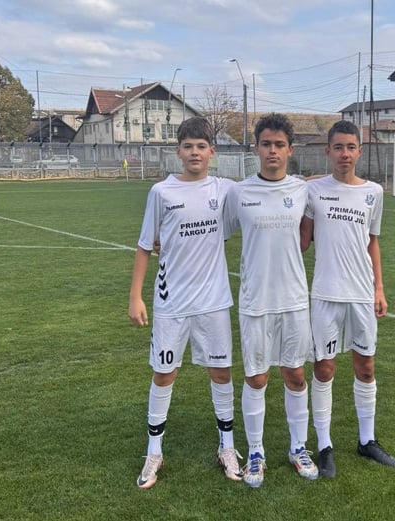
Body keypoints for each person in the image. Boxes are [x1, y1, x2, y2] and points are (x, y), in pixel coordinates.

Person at [128, 117, 242, 489]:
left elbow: (267, 188)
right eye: (188, 146)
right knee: (164, 374)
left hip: (213, 301)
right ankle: (154, 452)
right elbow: (145, 245)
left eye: (201, 146)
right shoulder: (161, 192)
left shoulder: (225, 189)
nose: (195, 152)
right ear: (178, 151)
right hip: (171, 303)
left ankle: (227, 447)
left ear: (212, 152)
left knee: (221, 373)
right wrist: (135, 297)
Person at [223, 113, 318, 488]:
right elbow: (215, 233)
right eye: (266, 144)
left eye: (279, 144)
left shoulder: (303, 191)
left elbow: (308, 236)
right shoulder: (239, 193)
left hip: (294, 299)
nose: (272, 151)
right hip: (255, 301)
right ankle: (256, 452)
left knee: (295, 374)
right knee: (257, 377)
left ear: (290, 149)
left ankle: (298, 448)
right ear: (256, 148)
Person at [300, 119, 395, 479]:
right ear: (328, 151)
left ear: (360, 151)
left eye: (351, 147)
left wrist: (379, 288)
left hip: (361, 294)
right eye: (338, 147)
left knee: (366, 367)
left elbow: (373, 242)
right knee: (324, 368)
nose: (345, 153)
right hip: (326, 294)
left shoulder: (374, 192)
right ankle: (324, 446)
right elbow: (303, 242)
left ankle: (367, 440)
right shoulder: (313, 191)